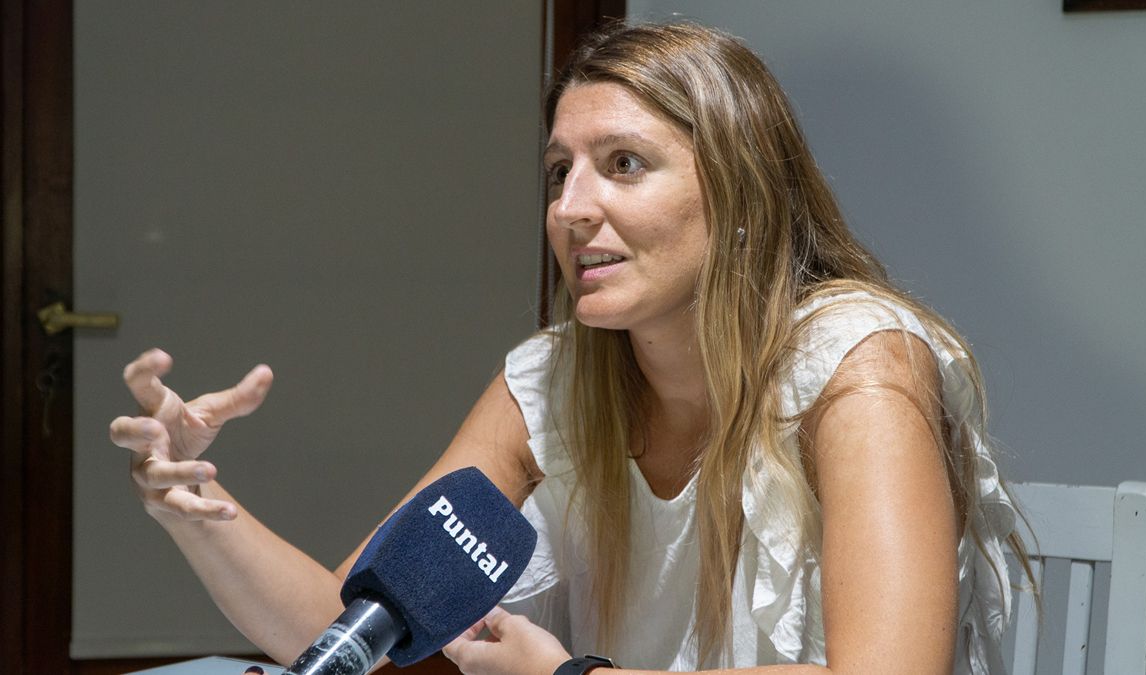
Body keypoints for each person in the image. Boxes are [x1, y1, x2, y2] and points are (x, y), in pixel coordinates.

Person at [109, 21, 1031, 675]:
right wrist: (197, 506)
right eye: (560, 171)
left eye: (623, 164)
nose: (570, 208)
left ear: (741, 191)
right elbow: (346, 628)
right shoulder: (555, 378)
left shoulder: (860, 366)